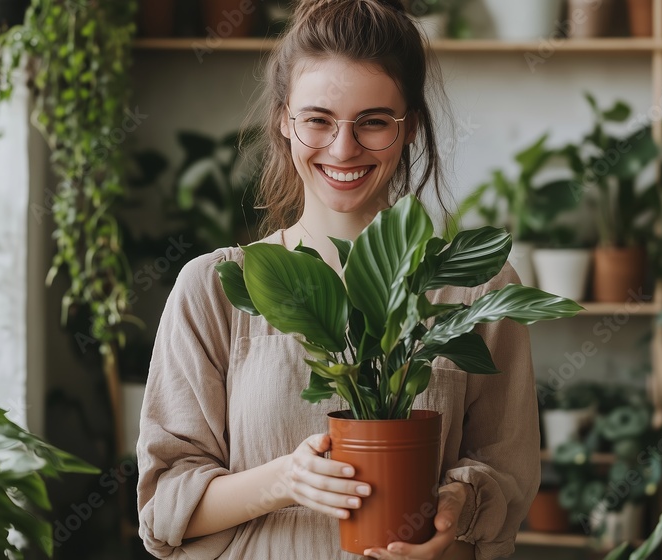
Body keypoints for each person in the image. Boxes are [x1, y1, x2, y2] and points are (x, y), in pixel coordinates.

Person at [136, 1, 540, 558]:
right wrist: (284, 481)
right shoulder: (213, 290)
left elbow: (504, 483)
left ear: (410, 126)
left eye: (373, 121)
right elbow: (164, 509)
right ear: (283, 119)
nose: (343, 148)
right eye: (318, 120)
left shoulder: (476, 291)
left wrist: (451, 518)